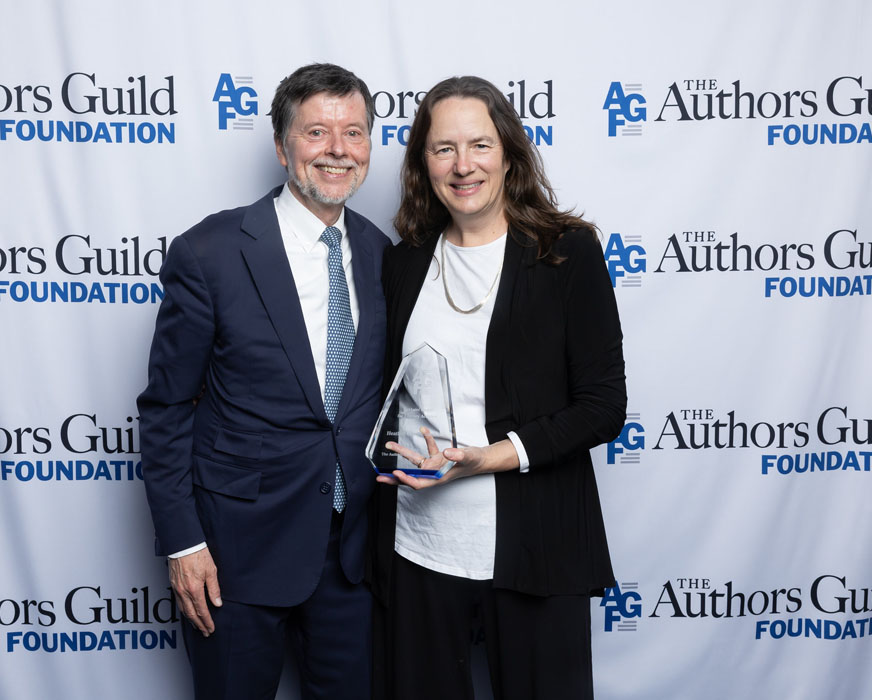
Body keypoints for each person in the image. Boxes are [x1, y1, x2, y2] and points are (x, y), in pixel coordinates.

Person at [369, 76, 626, 699]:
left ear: (509, 151)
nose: (463, 166)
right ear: (421, 163)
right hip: (418, 549)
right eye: (443, 149)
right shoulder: (403, 260)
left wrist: (493, 456)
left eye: (479, 145)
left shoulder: (567, 253)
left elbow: (602, 408)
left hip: (537, 547)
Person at [137, 63, 389, 700]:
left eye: (354, 133)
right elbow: (166, 408)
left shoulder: (387, 256)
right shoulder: (210, 253)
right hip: (234, 555)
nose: (338, 149)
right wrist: (183, 543)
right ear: (282, 146)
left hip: (353, 557)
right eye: (317, 132)